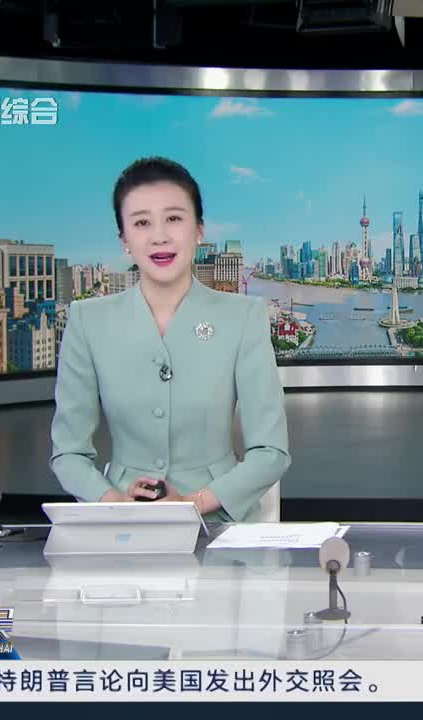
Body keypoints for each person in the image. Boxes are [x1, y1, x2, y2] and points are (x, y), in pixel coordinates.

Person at [50, 157, 290, 521]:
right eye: (142, 222)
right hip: (122, 521)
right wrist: (114, 501)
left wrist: (194, 503)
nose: (159, 236)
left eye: (174, 218)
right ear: (124, 240)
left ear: (199, 230)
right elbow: (68, 453)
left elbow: (271, 452)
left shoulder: (244, 316)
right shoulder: (87, 321)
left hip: (218, 521)